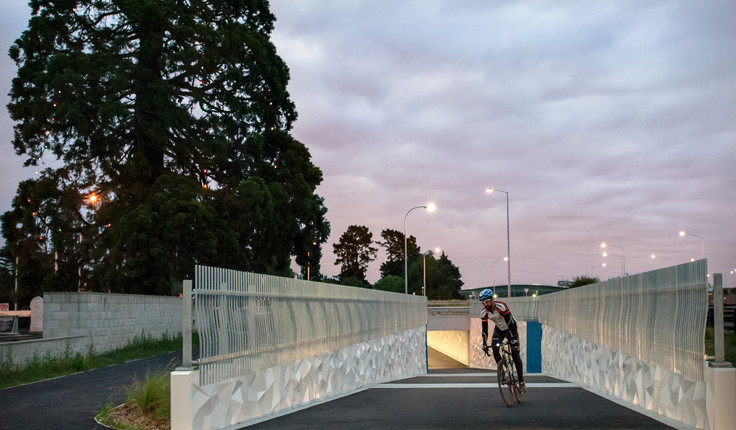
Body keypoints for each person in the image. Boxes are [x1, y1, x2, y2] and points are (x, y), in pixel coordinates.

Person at [478, 288, 526, 393]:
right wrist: (484, 344)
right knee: (495, 347)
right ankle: (502, 371)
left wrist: (513, 340)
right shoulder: (484, 313)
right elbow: (484, 330)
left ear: (491, 300)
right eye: (483, 303)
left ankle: (521, 382)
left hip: (511, 329)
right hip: (499, 330)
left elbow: (510, 322)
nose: (485, 304)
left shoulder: (501, 306)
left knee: (515, 355)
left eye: (487, 302)